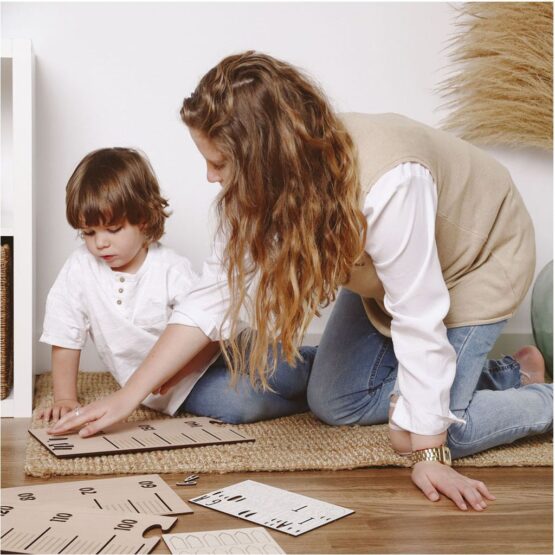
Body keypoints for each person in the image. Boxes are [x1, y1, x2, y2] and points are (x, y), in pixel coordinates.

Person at [51, 52, 552, 512]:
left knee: (438, 430)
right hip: (384, 278)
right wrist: (127, 398)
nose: (208, 176)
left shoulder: (392, 181)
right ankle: (502, 372)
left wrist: (428, 446)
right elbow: (212, 301)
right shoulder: (259, 192)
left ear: (264, 157)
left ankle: (537, 396)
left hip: (476, 261)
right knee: (333, 403)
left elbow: (419, 309)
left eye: (219, 163)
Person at [39, 146, 315, 422]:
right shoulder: (79, 269)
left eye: (113, 230)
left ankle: (316, 364)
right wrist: (65, 398)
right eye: (88, 232)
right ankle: (309, 400)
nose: (100, 243)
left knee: (284, 371)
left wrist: (181, 370)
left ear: (144, 220)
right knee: (242, 405)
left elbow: (210, 329)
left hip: (222, 346)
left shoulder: (169, 267)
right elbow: (65, 334)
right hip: (169, 388)